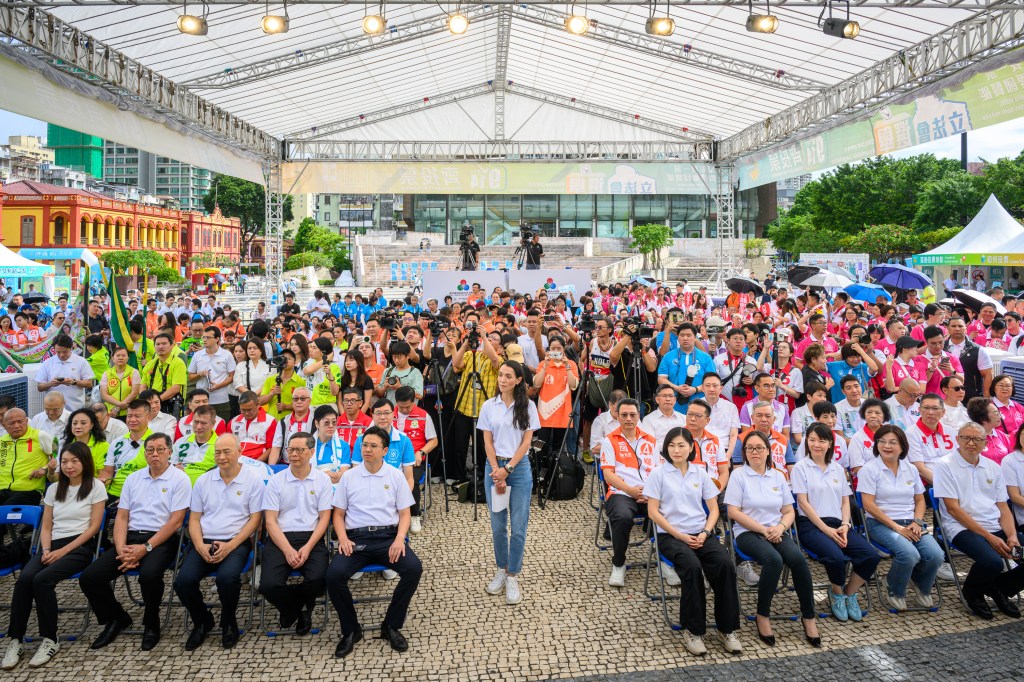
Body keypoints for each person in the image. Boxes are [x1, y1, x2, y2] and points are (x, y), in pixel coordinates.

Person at [79, 433, 190, 651]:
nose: (155, 454)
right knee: (90, 578)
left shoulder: (179, 479)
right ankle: (117, 618)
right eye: (150, 450)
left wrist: (146, 548)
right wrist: (121, 549)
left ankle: (151, 622)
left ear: (169, 452)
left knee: (149, 575)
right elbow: (122, 516)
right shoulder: (133, 478)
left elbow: (176, 521)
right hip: (130, 538)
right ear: (144, 453)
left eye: (160, 449)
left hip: (162, 539)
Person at [1, 442, 106, 669]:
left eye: (74, 461)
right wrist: (47, 549)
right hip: (51, 545)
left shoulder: (95, 486)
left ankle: (50, 639)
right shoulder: (53, 489)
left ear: (85, 462)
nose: (69, 466)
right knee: (24, 579)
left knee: (42, 580)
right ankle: (16, 639)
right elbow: (47, 526)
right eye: (64, 461)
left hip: (79, 547)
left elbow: (93, 528)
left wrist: (62, 552)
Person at [325, 425, 422, 658]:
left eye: (373, 446)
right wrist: (343, 538)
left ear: (385, 450)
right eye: (364, 445)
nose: (367, 449)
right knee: (333, 576)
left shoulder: (395, 476)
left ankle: (391, 625)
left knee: (413, 569)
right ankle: (351, 629)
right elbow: (338, 514)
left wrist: (400, 539)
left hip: (388, 538)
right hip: (356, 539)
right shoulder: (349, 477)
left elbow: (405, 514)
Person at [645, 427, 742, 656]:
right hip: (671, 535)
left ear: (691, 447)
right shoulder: (658, 474)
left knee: (725, 565)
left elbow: (713, 509)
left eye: (681, 445)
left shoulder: (700, 473)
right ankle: (693, 631)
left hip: (701, 533)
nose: (676, 450)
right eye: (671, 445)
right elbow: (653, 512)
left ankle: (727, 629)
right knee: (692, 567)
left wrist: (706, 532)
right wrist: (679, 535)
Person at [725, 430, 820, 647]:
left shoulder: (777, 476)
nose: (754, 452)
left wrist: (780, 527)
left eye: (759, 448)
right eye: (750, 448)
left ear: (768, 451)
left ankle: (808, 616)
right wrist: (763, 529)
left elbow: (788, 511)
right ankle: (763, 615)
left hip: (776, 530)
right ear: (745, 452)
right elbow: (733, 512)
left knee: (798, 560)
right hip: (747, 532)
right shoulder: (738, 476)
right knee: (773, 560)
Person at [174, 433, 263, 650]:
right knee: (182, 582)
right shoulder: (204, 481)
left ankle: (229, 621)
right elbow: (194, 519)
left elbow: (255, 520)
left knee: (227, 579)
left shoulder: (253, 480)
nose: (221, 457)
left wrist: (231, 545)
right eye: (217, 452)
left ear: (239, 452)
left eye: (226, 452)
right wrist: (199, 545)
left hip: (236, 541)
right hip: (205, 541)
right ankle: (202, 620)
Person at [933, 422, 1024, 619]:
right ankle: (973, 593)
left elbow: (1003, 507)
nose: (971, 443)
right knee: (992, 562)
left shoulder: (992, 467)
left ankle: (999, 588)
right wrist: (989, 537)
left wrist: (1012, 535)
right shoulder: (945, 465)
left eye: (977, 439)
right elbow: (953, 509)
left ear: (985, 443)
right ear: (957, 439)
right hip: (960, 527)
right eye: (966, 438)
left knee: (1019, 550)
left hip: (994, 525)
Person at [791, 423, 878, 622]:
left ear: (830, 443)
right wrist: (825, 530)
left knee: (870, 555)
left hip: (838, 524)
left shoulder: (837, 468)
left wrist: (845, 525)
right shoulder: (800, 468)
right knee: (836, 557)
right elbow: (802, 502)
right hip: (811, 525)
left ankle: (849, 593)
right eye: (812, 440)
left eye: (821, 441)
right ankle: (837, 593)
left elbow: (845, 501)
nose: (816, 444)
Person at [857, 424, 944, 610]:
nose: (886, 446)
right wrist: (897, 528)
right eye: (882, 441)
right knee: (908, 554)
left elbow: (920, 500)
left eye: (892, 442)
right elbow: (868, 505)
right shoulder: (869, 469)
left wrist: (917, 522)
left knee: (936, 555)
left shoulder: (910, 469)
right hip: (879, 523)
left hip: (911, 522)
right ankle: (894, 588)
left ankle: (920, 583)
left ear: (902, 446)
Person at [478, 360, 541, 604]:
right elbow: (487, 441)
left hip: (519, 468)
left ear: (518, 380)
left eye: (508, 376)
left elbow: (527, 442)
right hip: (494, 467)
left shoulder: (528, 406)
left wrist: (508, 469)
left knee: (518, 525)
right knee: (498, 525)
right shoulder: (488, 405)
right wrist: (497, 470)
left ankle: (513, 573)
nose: (502, 380)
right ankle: (501, 568)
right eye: (500, 375)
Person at [600, 398, 658, 587]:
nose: (628, 419)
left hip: (648, 493)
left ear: (638, 416)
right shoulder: (610, 440)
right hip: (621, 492)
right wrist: (631, 491)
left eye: (632, 414)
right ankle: (618, 564)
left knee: (669, 510)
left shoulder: (651, 440)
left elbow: (659, 472)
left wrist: (650, 492)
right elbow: (608, 475)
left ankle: (665, 560)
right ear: (617, 416)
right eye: (624, 415)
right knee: (623, 517)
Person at [394, 386, 437, 535]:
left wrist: (421, 452)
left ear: (414, 401)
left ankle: (414, 515)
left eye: (408, 407)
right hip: (392, 459)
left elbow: (434, 441)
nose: (404, 410)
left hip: (415, 460)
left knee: (411, 480)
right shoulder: (389, 414)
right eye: (401, 407)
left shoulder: (423, 416)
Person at [0, 408, 57, 507]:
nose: (16, 426)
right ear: (4, 425)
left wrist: (44, 469)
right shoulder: (2, 441)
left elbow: (58, 457)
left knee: (5, 510)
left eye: (20, 422)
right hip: (2, 490)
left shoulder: (40, 436)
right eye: (11, 423)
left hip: (29, 491)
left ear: (26, 421)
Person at [187, 326, 236, 422]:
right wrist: (199, 374)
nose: (204, 340)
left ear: (217, 339)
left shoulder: (226, 355)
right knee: (201, 424)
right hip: (201, 400)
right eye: (204, 337)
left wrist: (218, 386)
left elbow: (231, 377)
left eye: (208, 337)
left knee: (221, 425)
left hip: (221, 399)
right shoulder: (198, 355)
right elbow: (190, 377)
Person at [906, 393, 957, 484]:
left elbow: (960, 460)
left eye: (935, 408)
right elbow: (920, 469)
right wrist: (946, 484)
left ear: (943, 412)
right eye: (926, 408)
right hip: (930, 483)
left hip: (954, 478)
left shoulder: (950, 431)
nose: (930, 412)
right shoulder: (911, 434)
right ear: (919, 410)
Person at [35, 334, 94, 411]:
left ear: (71, 348)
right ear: (54, 349)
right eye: (58, 352)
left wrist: (74, 382)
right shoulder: (47, 363)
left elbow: (89, 383)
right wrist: (50, 383)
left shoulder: (81, 361)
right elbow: (40, 387)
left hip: (76, 408)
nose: (62, 355)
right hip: (53, 410)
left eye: (65, 352)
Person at [142, 333, 188, 415]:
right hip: (151, 405)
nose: (160, 347)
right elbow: (143, 386)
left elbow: (176, 388)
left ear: (172, 345)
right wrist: (146, 401)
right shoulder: (150, 364)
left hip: (169, 405)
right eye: (158, 344)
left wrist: (156, 401)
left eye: (164, 344)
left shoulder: (178, 363)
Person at [270, 386, 315, 465]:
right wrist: (271, 468)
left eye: (303, 398)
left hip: (309, 465)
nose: (299, 401)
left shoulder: (316, 421)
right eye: (295, 399)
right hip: (286, 464)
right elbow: (276, 448)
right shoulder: (283, 422)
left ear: (309, 401)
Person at [228, 391, 278, 462]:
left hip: (258, 462)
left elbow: (271, 448)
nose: (246, 413)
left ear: (258, 405)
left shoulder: (270, 421)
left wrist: (255, 463)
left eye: (249, 410)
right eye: (243, 410)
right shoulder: (233, 422)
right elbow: (228, 446)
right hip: (236, 462)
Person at [641, 384, 687, 453]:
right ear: (657, 399)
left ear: (674, 400)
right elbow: (649, 444)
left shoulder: (684, 418)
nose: (668, 399)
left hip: (682, 454)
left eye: (670, 396)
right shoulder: (648, 420)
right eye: (664, 396)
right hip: (659, 454)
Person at [61, 408, 108, 474]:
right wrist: (51, 471)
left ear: (92, 425)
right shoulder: (66, 445)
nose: (78, 426)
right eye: (74, 423)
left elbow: (103, 474)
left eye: (83, 423)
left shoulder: (103, 446)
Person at [100, 347, 142, 419]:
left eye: (123, 355)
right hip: (111, 413)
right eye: (118, 355)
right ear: (113, 358)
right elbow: (104, 394)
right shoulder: (106, 374)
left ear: (128, 358)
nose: (120, 358)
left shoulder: (134, 372)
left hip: (130, 413)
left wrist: (117, 408)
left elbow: (134, 393)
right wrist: (119, 404)